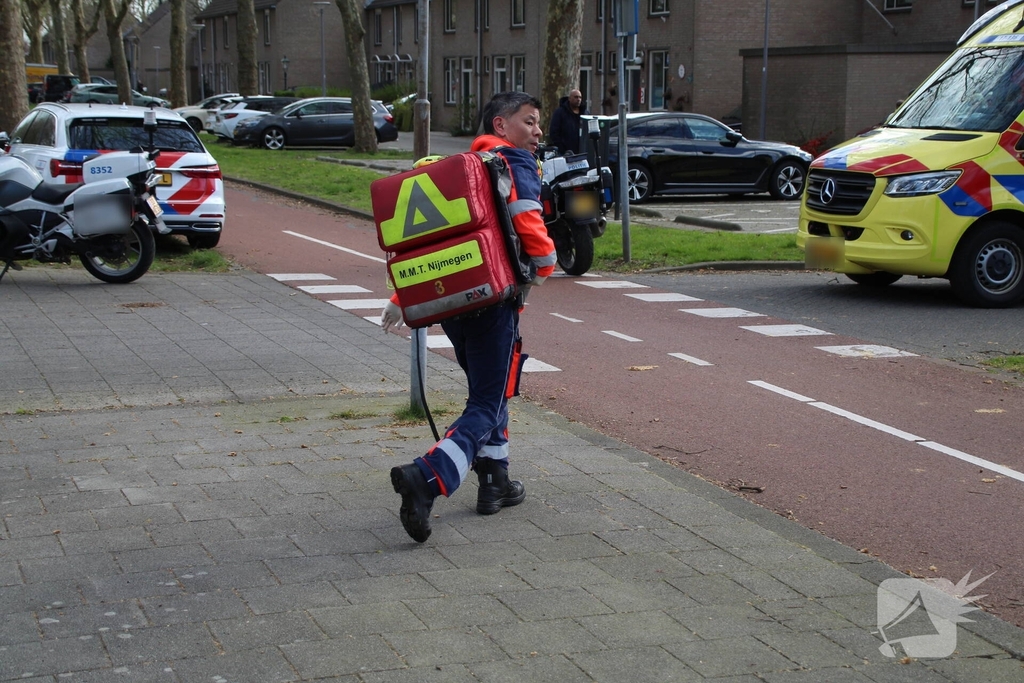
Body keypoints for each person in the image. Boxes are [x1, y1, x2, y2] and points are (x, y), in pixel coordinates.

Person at [382, 91, 556, 543]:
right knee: (487, 402)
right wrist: (544, 267)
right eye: (530, 122)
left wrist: (402, 296)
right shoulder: (513, 162)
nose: (538, 132)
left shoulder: (460, 166)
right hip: (494, 303)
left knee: (488, 390)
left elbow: (422, 241)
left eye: (539, 124)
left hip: (455, 305)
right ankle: (429, 476)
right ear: (501, 126)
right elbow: (528, 218)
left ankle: (495, 480)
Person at [547, 89, 587, 154]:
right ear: (569, 98)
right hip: (565, 152)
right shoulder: (560, 112)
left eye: (580, 97)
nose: (578, 99)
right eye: (576, 97)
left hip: (582, 151)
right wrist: (561, 148)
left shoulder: (585, 113)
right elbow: (554, 132)